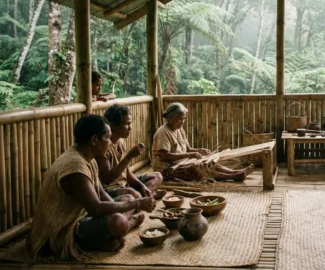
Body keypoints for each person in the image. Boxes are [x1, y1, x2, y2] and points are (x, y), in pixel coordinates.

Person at [30, 115, 156, 260]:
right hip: (62, 230)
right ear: (95, 140)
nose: (110, 142)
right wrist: (137, 204)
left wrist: (124, 207)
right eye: (108, 138)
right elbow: (96, 208)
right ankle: (125, 225)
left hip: (81, 214)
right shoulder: (74, 167)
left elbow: (101, 194)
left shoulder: (87, 157)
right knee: (119, 221)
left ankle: (113, 232)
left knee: (127, 198)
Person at [152, 103, 254, 182]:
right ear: (170, 118)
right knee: (197, 169)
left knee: (207, 162)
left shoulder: (179, 129)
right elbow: (164, 156)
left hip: (182, 163)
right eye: (179, 119)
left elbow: (188, 149)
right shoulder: (163, 132)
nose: (182, 122)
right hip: (167, 170)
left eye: (184, 119)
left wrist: (199, 150)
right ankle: (233, 177)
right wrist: (190, 155)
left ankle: (236, 172)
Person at [96, 104, 164, 200]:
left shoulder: (121, 141)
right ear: (113, 126)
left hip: (125, 185)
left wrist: (142, 186)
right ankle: (142, 198)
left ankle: (143, 196)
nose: (130, 128)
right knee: (131, 194)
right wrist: (129, 157)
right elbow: (107, 179)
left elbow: (126, 172)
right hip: (110, 190)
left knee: (157, 176)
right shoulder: (103, 147)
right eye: (127, 124)